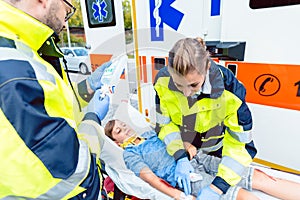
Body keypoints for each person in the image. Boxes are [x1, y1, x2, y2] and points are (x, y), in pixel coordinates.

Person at [0, 0, 112, 199]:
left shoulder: (23, 48)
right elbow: (74, 174)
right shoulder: (14, 70)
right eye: (67, 11)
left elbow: (49, 103)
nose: (66, 23)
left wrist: (86, 89)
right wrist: (94, 120)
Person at [154, 37, 257, 198]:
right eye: (178, 85)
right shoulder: (162, 82)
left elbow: (241, 145)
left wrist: (217, 188)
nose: (186, 93)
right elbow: (165, 126)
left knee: (246, 187)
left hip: (219, 151)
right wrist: (180, 156)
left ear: (207, 67)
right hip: (188, 151)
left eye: (194, 85)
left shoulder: (229, 91)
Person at [105, 119, 300, 200]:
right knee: (241, 194)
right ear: (116, 140)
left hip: (200, 159)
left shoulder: (150, 133)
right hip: (189, 178)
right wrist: (178, 195)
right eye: (119, 130)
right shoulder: (130, 154)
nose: (126, 129)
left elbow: (186, 144)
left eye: (124, 124)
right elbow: (151, 179)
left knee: (259, 178)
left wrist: (188, 152)